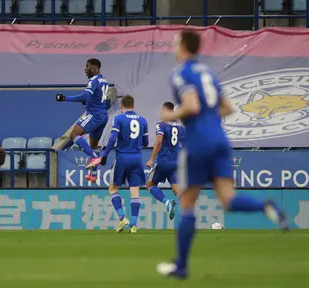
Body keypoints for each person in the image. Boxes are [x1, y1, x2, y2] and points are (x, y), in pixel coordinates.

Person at [156, 29, 288, 279]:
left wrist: (170, 115)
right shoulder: (207, 73)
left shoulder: (181, 73)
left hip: (198, 143)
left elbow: (192, 105)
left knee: (186, 203)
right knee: (228, 199)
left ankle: (181, 266)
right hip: (220, 140)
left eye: (175, 43)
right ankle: (266, 207)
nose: (173, 47)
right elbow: (227, 108)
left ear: (183, 46)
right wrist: (208, 119)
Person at [87, 95, 148, 233]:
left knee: (113, 188)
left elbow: (112, 138)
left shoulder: (119, 118)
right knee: (135, 191)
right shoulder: (143, 120)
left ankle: (122, 217)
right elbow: (145, 142)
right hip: (137, 159)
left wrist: (104, 155)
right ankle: (133, 225)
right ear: (133, 105)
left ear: (122, 106)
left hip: (122, 158)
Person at [56, 58, 109, 183]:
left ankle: (94, 157)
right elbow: (97, 98)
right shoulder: (104, 81)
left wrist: (65, 98)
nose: (85, 70)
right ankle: (93, 174)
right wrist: (88, 101)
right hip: (103, 116)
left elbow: (86, 95)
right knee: (93, 145)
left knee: (73, 134)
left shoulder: (93, 80)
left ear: (95, 68)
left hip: (94, 115)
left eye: (88, 67)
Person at [146, 102, 184, 220]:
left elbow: (158, 142)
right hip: (175, 162)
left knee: (150, 185)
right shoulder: (180, 127)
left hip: (163, 161)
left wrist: (152, 159)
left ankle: (166, 202)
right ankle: (190, 213)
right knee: (177, 189)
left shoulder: (161, 124)